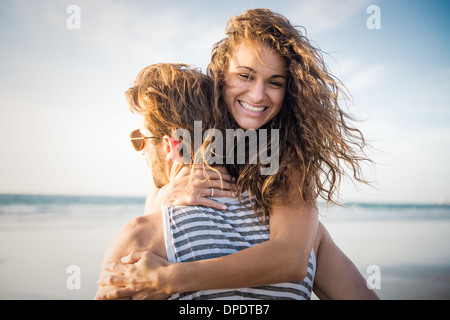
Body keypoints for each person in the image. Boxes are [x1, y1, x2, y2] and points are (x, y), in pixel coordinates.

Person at [97, 9, 378, 299]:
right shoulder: (185, 161)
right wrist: (167, 193)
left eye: (275, 82)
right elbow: (156, 220)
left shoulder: (287, 162)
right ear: (221, 77)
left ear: (290, 91)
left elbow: (292, 259)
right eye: (245, 75)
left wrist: (170, 278)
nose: (258, 95)